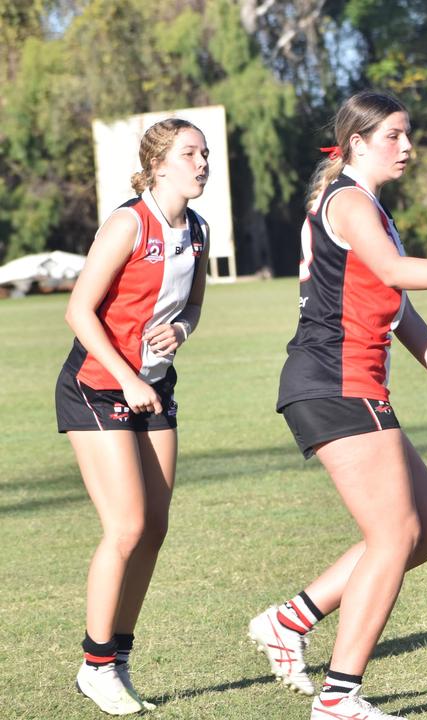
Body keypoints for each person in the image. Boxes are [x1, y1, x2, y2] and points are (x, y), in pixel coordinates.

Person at [248, 91, 427, 720]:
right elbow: (394, 273)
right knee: (392, 535)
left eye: (408, 135)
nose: (408, 148)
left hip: (354, 385)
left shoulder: (369, 207)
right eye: (394, 137)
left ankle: (288, 621)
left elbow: (397, 310)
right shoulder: (349, 202)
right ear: (357, 145)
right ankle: (339, 698)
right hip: (332, 382)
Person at [57, 118, 211, 715]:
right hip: (97, 388)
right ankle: (94, 666)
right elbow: (78, 311)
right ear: (158, 165)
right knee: (124, 527)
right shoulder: (128, 222)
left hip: (154, 388)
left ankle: (116, 659)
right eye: (190, 154)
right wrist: (125, 377)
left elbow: (193, 305)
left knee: (154, 528)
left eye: (205, 154)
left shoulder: (196, 228)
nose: (201, 164)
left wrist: (182, 330)